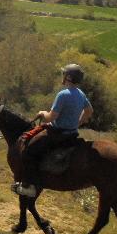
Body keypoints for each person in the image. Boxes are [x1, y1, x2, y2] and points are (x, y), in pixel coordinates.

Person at [13, 64, 93, 197]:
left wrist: (42, 113)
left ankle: (28, 187)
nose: (62, 76)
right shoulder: (81, 94)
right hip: (72, 135)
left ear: (68, 77)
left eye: (64, 74)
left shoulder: (63, 94)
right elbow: (89, 111)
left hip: (56, 134)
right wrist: (78, 122)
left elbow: (51, 117)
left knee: (28, 150)